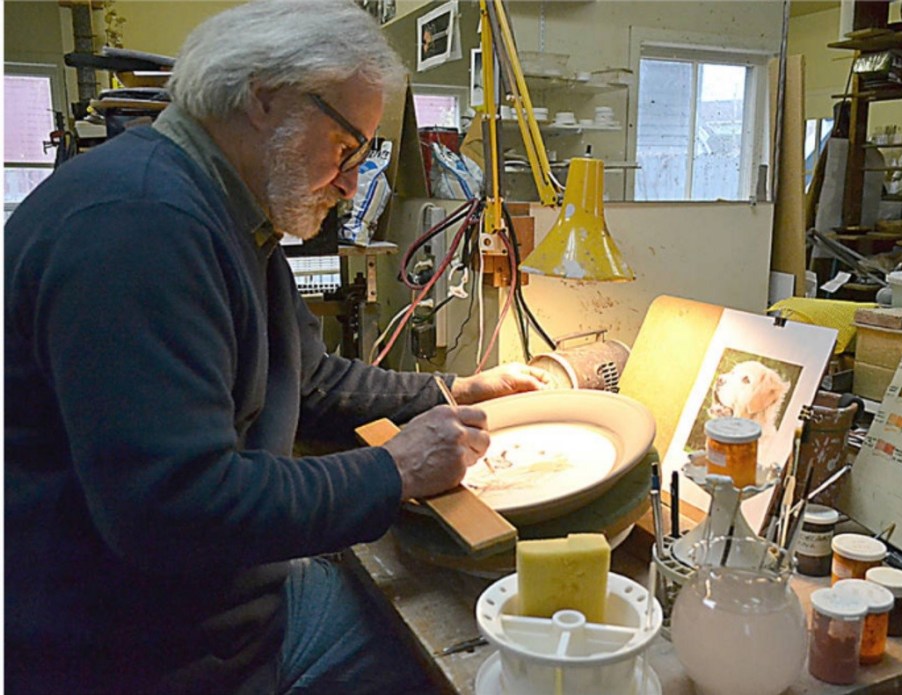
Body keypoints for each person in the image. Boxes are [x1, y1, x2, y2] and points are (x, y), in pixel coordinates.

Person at [3, 1, 548, 693]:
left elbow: (310, 379)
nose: (351, 183)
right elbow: (176, 510)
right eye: (347, 148)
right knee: (477, 662)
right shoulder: (140, 225)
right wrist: (394, 470)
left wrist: (451, 391)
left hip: (220, 614)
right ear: (263, 98)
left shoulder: (223, 208)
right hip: (145, 657)